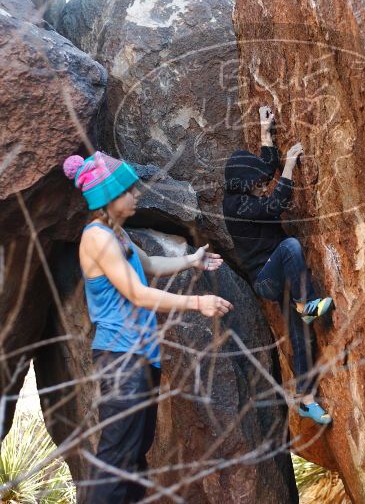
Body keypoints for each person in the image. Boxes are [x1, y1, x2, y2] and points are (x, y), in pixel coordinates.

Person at [63, 150, 233, 503]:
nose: (137, 195)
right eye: (129, 190)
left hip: (139, 357)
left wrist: (191, 260)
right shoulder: (97, 237)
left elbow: (150, 265)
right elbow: (138, 294)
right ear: (108, 198)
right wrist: (196, 303)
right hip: (120, 357)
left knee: (134, 457)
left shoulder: (118, 236)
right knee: (116, 458)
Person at [222, 106, 334, 425]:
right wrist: (289, 168)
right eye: (256, 183)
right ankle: (307, 304)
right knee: (290, 245)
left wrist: (264, 131)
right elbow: (275, 206)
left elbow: (265, 168)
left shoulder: (242, 189)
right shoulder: (238, 205)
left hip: (280, 274)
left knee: (301, 337)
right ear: (244, 186)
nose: (261, 184)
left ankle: (307, 400)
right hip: (267, 278)